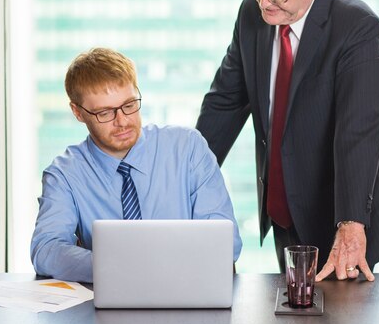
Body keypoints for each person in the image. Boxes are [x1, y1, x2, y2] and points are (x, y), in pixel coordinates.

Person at [196, 0, 379, 282]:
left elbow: (360, 131)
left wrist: (351, 224)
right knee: (293, 314)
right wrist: (186, 175)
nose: (264, 3)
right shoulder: (251, 16)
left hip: (341, 214)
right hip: (284, 208)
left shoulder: (355, 25)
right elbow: (223, 103)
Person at [31, 47, 242, 283]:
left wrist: (147, 268)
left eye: (129, 105)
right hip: (106, 306)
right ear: (78, 112)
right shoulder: (65, 174)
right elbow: (46, 249)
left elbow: (226, 243)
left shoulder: (187, 148)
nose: (122, 122)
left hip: (186, 296)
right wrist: (117, 269)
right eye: (105, 113)